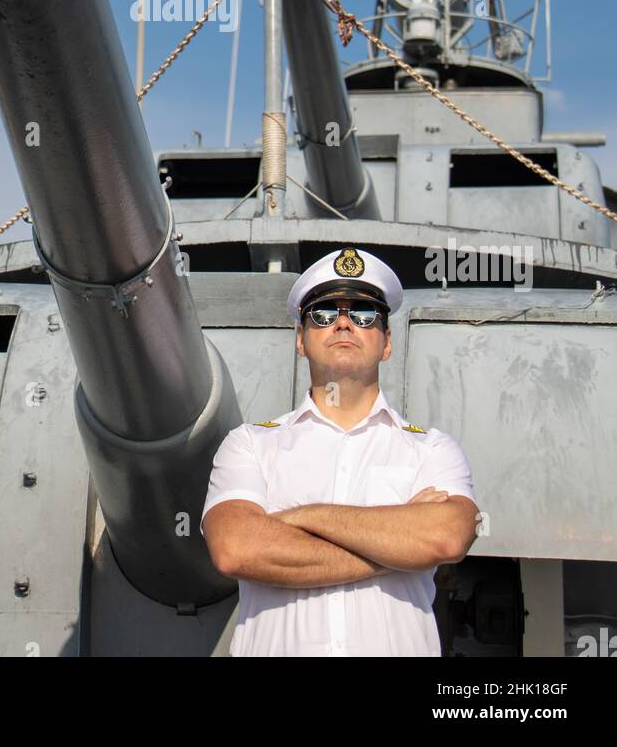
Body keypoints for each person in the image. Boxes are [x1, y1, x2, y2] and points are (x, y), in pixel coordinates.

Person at [200, 246, 479, 656]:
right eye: (324, 314)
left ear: (386, 342)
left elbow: (446, 539)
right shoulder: (249, 445)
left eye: (365, 314)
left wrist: (300, 517)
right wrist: (398, 546)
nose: (344, 324)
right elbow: (235, 548)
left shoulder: (431, 449)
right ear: (300, 339)